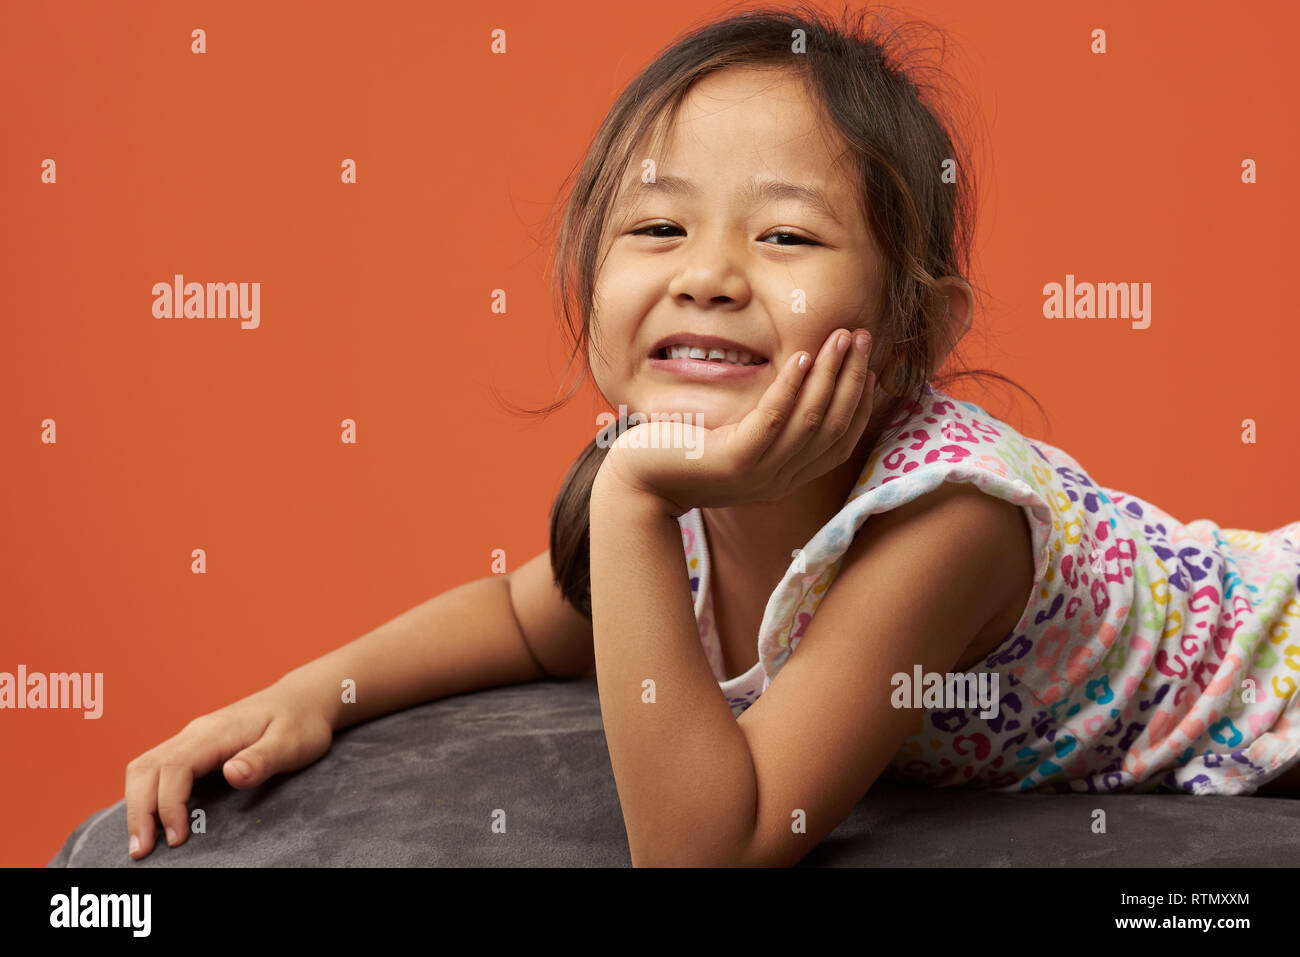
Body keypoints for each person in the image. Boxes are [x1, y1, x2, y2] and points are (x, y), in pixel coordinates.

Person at [124, 5, 1300, 868]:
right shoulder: (681, 484)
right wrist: (308, 693)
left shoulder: (949, 524)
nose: (709, 276)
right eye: (656, 224)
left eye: (785, 240)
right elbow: (528, 618)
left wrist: (631, 499)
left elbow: (712, 849)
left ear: (907, 334)